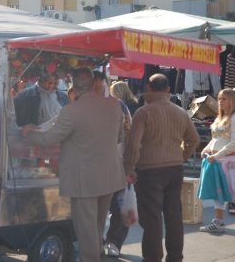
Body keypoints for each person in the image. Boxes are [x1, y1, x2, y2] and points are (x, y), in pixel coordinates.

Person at [21, 68, 127, 262]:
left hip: (83, 179)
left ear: (75, 87)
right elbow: (120, 137)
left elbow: (49, 138)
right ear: (94, 84)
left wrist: (29, 133)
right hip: (110, 175)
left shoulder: (71, 110)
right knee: (97, 224)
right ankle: (96, 255)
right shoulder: (114, 106)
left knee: (85, 228)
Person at [123, 73, 200, 262]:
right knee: (174, 216)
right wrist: (180, 156)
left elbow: (133, 145)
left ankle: (152, 257)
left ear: (148, 89)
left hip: (149, 170)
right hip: (174, 168)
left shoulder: (143, 112)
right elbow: (194, 140)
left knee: (152, 218)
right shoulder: (180, 112)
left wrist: (128, 168)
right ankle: (175, 258)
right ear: (168, 90)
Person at [93, 71, 131, 257]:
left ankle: (114, 241)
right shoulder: (84, 105)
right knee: (93, 208)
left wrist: (129, 165)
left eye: (98, 85)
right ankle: (96, 241)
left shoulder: (119, 105)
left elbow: (129, 134)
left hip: (117, 163)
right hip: (92, 166)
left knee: (118, 206)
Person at [200, 89, 235, 231]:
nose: (220, 101)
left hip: (227, 161)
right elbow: (215, 139)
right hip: (216, 161)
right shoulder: (219, 119)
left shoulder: (233, 118)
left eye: (224, 99)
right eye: (219, 98)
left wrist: (217, 155)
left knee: (232, 190)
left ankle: (219, 221)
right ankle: (218, 222)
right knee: (218, 192)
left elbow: (233, 142)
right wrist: (206, 149)